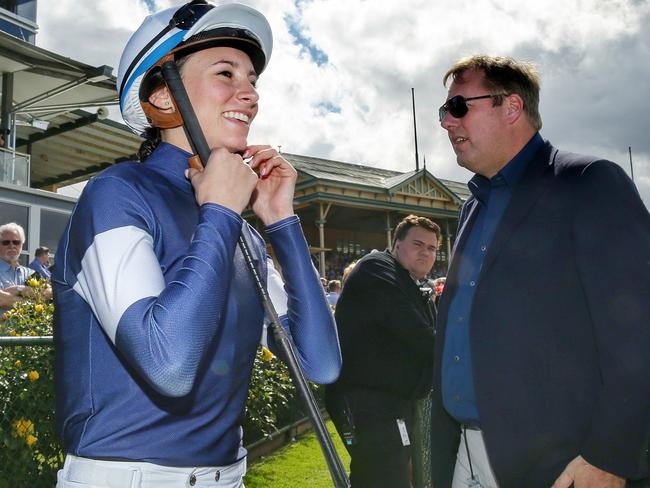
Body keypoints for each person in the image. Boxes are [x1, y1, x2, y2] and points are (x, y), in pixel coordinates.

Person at [52, 2, 341, 487]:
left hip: (228, 475)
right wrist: (223, 211)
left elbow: (322, 364)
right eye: (226, 73)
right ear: (163, 97)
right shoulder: (117, 193)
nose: (249, 94)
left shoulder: (239, 230)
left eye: (252, 81)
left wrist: (281, 222)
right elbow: (168, 365)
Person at [432, 55, 650, 488]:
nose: (446, 123)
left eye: (458, 107)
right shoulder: (473, 204)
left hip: (562, 464)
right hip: (464, 452)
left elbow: (638, 332)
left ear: (511, 107)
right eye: (444, 111)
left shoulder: (588, 182)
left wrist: (609, 454)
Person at [325, 214, 439, 488]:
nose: (426, 252)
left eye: (433, 248)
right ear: (397, 243)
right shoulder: (377, 267)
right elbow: (414, 331)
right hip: (369, 403)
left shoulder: (409, 281)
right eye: (418, 244)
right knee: (384, 478)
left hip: (394, 404)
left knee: (394, 476)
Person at [0, 222, 34, 288]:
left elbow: (48, 292)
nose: (12, 246)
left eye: (16, 242)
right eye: (6, 242)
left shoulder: (30, 273)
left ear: (22, 245)